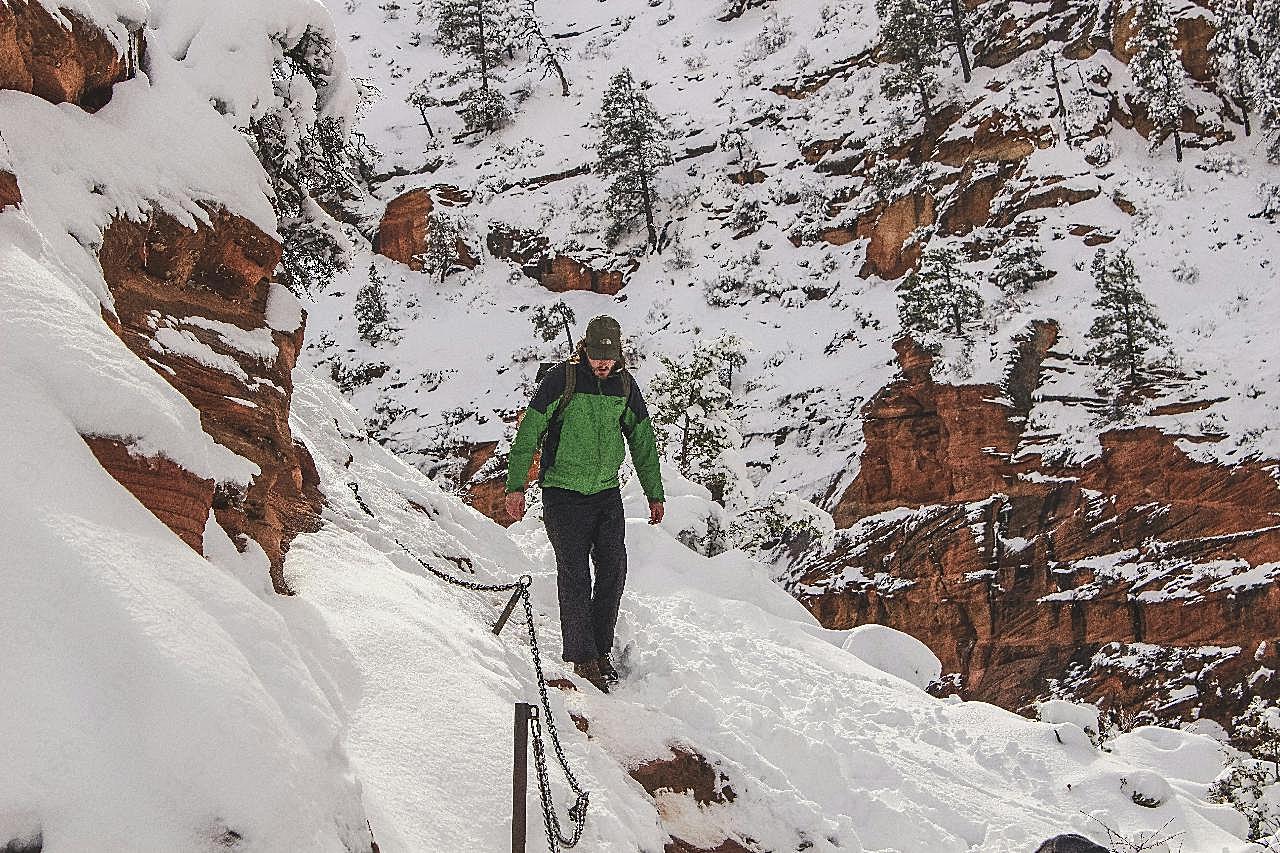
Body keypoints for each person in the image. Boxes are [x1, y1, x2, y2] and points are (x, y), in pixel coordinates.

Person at [504, 315, 665, 693]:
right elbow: (529, 432)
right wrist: (516, 486)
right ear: (585, 350)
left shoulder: (625, 386)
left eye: (609, 357)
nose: (603, 364)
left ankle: (601, 649)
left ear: (619, 354)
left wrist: (654, 492)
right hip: (562, 494)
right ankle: (582, 658)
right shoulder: (563, 380)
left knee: (613, 572)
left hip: (606, 494)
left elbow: (643, 440)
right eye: (596, 356)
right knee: (575, 575)